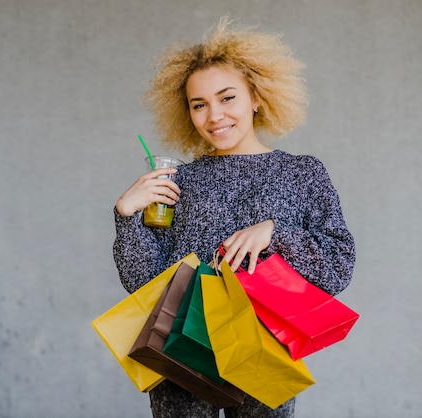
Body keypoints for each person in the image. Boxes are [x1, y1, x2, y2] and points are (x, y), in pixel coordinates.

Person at [113, 16, 355, 418]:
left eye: (228, 98)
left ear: (257, 97)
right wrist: (126, 216)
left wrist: (275, 234)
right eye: (199, 104)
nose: (214, 116)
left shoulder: (303, 173)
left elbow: (337, 267)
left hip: (266, 349)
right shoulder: (176, 181)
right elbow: (142, 282)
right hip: (183, 351)